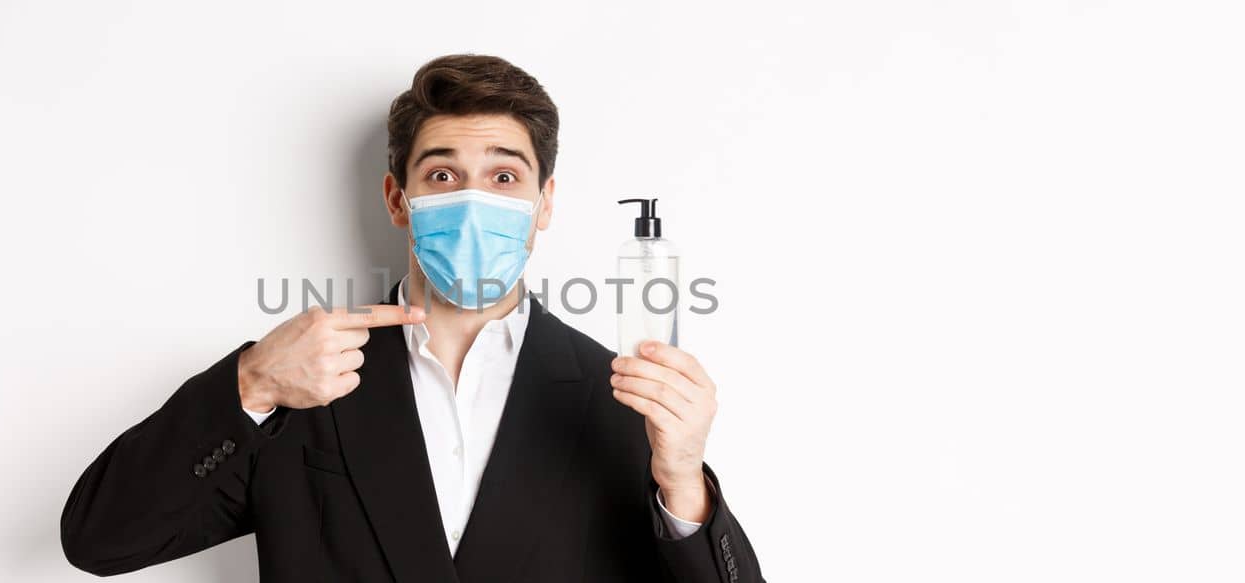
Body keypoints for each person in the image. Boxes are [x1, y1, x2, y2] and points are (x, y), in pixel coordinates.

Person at [59, 53, 767, 583]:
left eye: (503, 176)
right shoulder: (305, 377)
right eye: (442, 174)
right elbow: (100, 540)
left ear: (544, 203)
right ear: (399, 199)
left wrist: (683, 482)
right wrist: (252, 384)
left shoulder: (618, 396)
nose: (472, 200)